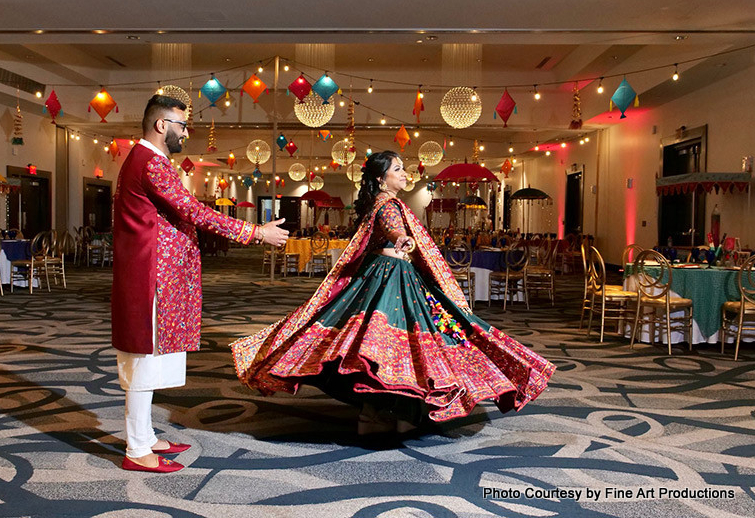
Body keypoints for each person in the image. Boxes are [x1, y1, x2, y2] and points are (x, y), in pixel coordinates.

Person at [231, 151, 554, 435]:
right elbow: (392, 227)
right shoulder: (387, 204)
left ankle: (383, 415)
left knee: (381, 348)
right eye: (398, 169)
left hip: (391, 276)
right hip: (390, 278)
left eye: (403, 168)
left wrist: (404, 241)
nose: (404, 173)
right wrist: (402, 238)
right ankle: (388, 415)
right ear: (380, 177)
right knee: (394, 347)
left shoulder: (384, 202)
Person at [112, 95, 288, 473]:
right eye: (181, 125)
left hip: (156, 275)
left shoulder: (147, 161)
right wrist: (254, 232)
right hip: (151, 278)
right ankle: (137, 448)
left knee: (151, 359)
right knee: (144, 360)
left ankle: (144, 435)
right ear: (162, 125)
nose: (186, 133)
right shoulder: (151, 163)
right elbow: (192, 211)